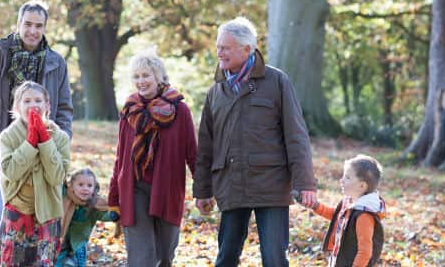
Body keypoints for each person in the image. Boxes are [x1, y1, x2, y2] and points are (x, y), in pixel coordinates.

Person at [193, 17, 318, 267]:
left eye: (226, 47)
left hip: (270, 186)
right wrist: (203, 190)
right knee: (226, 258)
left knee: (274, 259)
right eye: (218, 46)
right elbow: (205, 146)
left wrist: (306, 183)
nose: (219, 52)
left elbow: (296, 136)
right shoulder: (216, 91)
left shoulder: (277, 82)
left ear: (247, 49)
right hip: (230, 184)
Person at [0, 0, 73, 265]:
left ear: (44, 28)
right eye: (28, 24)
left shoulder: (56, 62)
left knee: (38, 213)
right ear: (18, 24)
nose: (33, 30)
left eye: (38, 26)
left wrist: (60, 140)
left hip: (44, 146)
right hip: (3, 141)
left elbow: (64, 107)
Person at [108, 51, 197, 267]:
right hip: (134, 188)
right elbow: (120, 157)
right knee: (141, 258)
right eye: (136, 77)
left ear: (159, 77)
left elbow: (193, 154)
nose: (141, 81)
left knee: (165, 256)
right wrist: (113, 197)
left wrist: (204, 190)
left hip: (167, 190)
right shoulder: (129, 111)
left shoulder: (180, 110)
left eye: (146, 75)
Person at [0, 81, 70, 266]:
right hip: (18, 211)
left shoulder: (60, 137)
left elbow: (57, 177)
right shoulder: (8, 136)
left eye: (38, 100)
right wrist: (30, 142)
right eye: (27, 101)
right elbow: (11, 172)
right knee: (14, 261)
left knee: (43, 262)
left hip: (48, 214)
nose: (33, 105)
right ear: (17, 107)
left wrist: (45, 142)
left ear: (47, 105)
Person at [302, 154, 385, 267]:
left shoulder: (364, 215)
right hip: (340, 259)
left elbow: (365, 252)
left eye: (347, 177)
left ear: (361, 186)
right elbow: (336, 215)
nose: (341, 180)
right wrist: (315, 206)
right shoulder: (350, 203)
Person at [55, 168, 120, 267]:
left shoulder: (94, 206)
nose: (85, 188)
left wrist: (114, 215)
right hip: (60, 245)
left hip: (77, 248)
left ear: (94, 188)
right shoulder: (65, 199)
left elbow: (104, 214)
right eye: (80, 185)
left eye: (89, 185)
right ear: (71, 187)